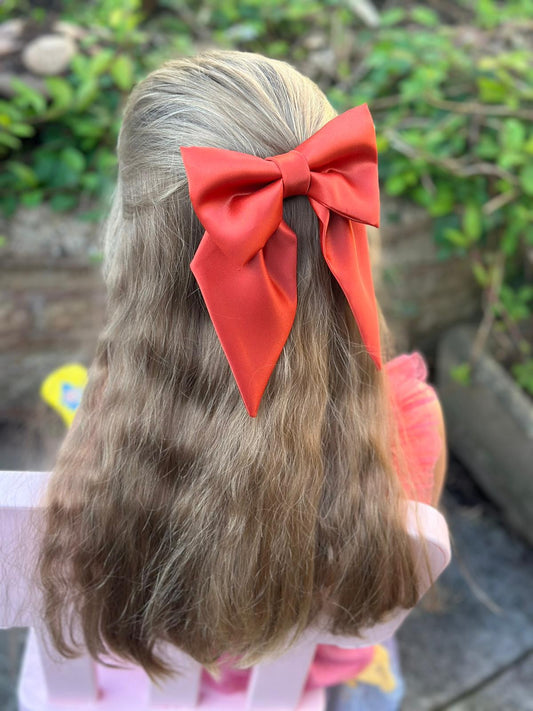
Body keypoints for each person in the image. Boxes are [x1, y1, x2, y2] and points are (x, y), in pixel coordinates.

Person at [36, 49, 447, 707]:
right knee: (377, 676)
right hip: (286, 691)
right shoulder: (411, 423)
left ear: (135, 246)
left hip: (128, 686)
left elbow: (87, 600)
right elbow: (350, 640)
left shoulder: (108, 440)